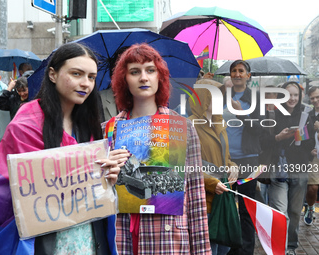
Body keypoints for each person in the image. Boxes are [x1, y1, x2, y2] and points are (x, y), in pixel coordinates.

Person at [0, 42, 129, 254]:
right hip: (44, 240)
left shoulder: (90, 125)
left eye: (91, 77)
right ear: (52, 74)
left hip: (88, 237)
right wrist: (86, 170)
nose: (85, 83)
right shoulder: (25, 125)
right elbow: (9, 190)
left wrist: (107, 175)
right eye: (76, 74)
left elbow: (92, 188)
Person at [103, 43, 211, 254]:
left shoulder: (182, 127)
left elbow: (197, 197)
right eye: (134, 72)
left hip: (167, 239)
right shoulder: (109, 130)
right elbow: (95, 195)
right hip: (122, 237)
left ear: (160, 76)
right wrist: (106, 176)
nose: (143, 77)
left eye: (150, 70)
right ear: (124, 80)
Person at [188, 78, 239, 255]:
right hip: (205, 201)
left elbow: (227, 157)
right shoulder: (189, 125)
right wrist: (210, 183)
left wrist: (233, 167)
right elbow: (185, 166)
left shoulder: (220, 123)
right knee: (210, 249)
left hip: (224, 198)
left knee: (224, 249)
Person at [268, 81, 315, 255]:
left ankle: (291, 246)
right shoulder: (273, 114)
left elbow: (310, 143)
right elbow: (265, 142)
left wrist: (300, 136)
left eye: (296, 95)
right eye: (289, 95)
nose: (293, 98)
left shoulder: (305, 114)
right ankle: (279, 246)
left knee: (295, 211)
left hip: (299, 167)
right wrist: (279, 137)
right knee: (280, 211)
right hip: (277, 167)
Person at [223, 60, 262, 255]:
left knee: (246, 208)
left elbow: (262, 129)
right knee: (227, 207)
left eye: (241, 71)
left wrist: (241, 114)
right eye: (233, 71)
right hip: (226, 161)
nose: (237, 74)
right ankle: (230, 248)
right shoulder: (222, 96)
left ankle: (246, 251)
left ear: (248, 75)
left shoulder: (256, 98)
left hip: (248, 159)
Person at [303, 85, 319, 225]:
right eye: (313, 98)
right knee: (312, 187)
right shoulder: (308, 114)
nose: (315, 100)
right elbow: (304, 136)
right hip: (314, 156)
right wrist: (309, 150)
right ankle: (310, 207)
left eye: (317, 97)